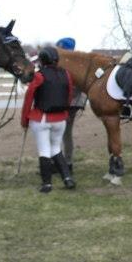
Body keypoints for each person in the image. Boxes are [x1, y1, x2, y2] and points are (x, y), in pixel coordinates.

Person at [21, 46, 76, 193]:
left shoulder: (39, 76)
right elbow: (69, 95)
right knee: (56, 149)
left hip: (42, 118)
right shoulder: (66, 74)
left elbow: (29, 98)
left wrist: (24, 120)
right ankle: (67, 178)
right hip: (61, 119)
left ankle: (47, 184)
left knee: (44, 150)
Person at [55, 37, 87, 172]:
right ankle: (62, 161)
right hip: (67, 102)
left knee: (65, 133)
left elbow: (74, 88)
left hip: (70, 103)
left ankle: (67, 163)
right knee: (61, 132)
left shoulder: (73, 64)